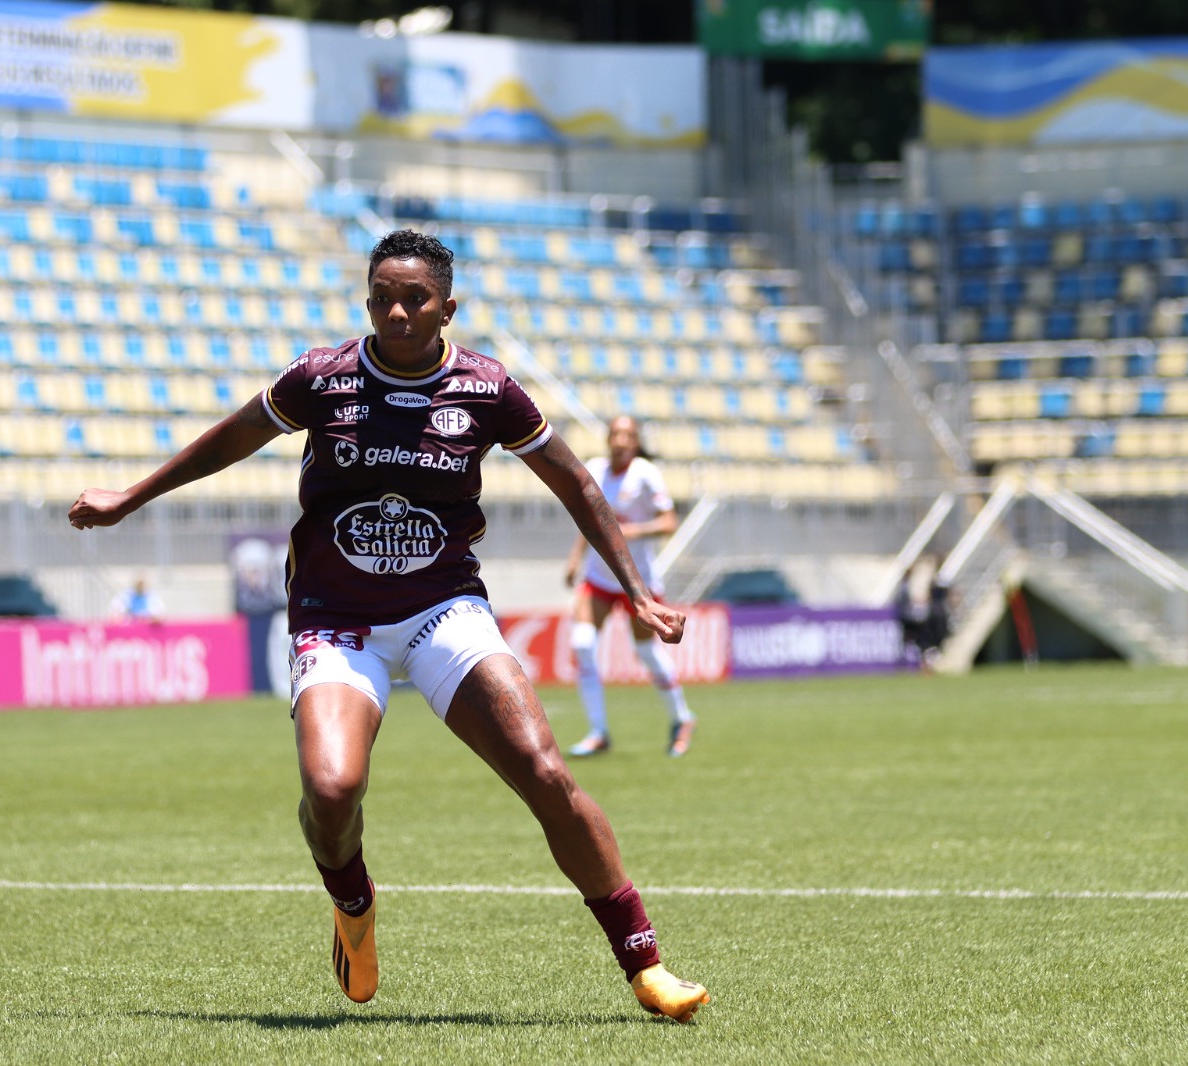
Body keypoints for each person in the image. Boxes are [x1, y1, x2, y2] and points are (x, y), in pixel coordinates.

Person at [68, 230, 708, 1024]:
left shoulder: (487, 388)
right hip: (335, 620)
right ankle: (353, 902)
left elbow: (575, 480)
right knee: (332, 790)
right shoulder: (322, 378)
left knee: (543, 767)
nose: (396, 311)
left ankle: (646, 964)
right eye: (382, 297)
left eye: (415, 299)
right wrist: (132, 495)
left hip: (444, 608)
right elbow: (234, 436)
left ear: (449, 307)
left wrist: (638, 590)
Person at [563, 415, 696, 758]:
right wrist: (575, 558)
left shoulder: (645, 474)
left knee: (647, 652)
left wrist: (630, 532)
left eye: (628, 435)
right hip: (598, 577)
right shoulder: (594, 469)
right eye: (616, 434)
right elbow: (588, 517)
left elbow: (669, 521)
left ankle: (681, 718)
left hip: (638, 582)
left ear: (635, 443)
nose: (621, 440)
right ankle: (598, 731)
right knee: (581, 643)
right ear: (608, 439)